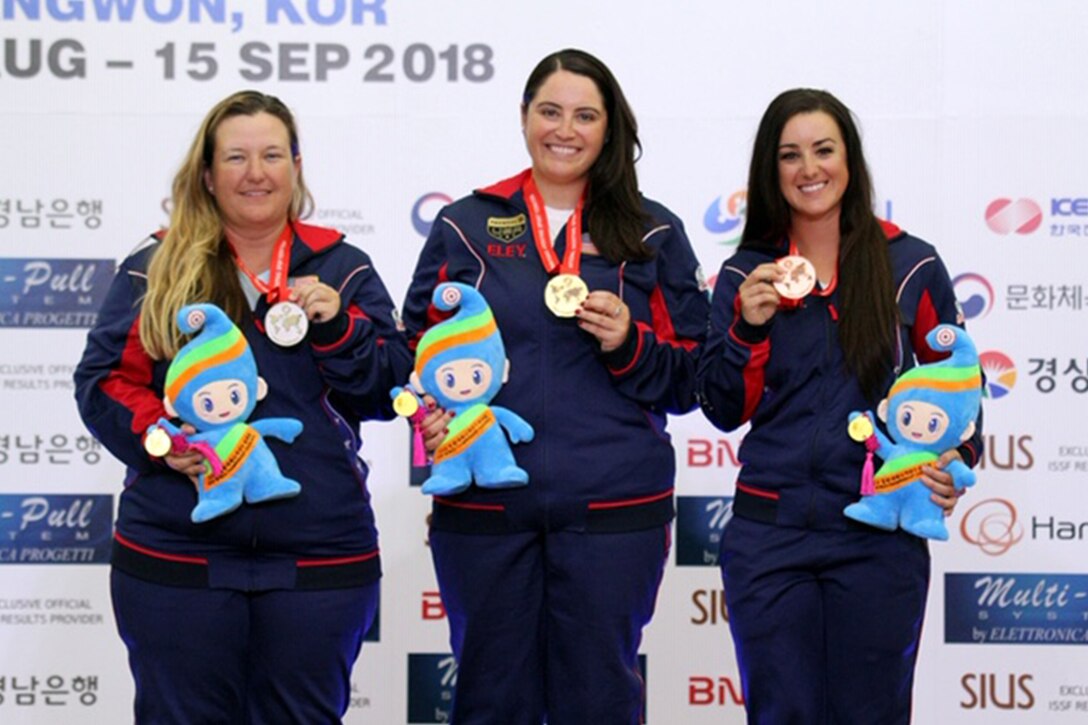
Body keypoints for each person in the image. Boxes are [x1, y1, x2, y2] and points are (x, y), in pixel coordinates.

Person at [74, 90, 412, 723]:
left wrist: (339, 328)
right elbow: (104, 381)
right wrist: (161, 439)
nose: (256, 173)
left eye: (272, 155)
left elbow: (390, 388)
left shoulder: (343, 266)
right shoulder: (157, 264)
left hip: (320, 554)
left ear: (296, 166)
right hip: (176, 554)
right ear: (207, 173)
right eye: (236, 157)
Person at [402, 49, 710, 724]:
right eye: (549, 111)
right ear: (523, 118)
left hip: (614, 506)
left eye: (585, 115)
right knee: (488, 700)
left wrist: (630, 342)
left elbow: (694, 378)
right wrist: (426, 420)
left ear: (608, 128)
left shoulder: (651, 230)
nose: (564, 129)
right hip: (485, 507)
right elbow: (413, 352)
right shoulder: (467, 223)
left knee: (600, 700)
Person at [696, 88, 984, 724]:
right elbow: (721, 406)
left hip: (879, 534)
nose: (809, 170)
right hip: (770, 536)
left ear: (849, 161)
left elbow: (963, 391)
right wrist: (747, 328)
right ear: (771, 174)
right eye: (790, 156)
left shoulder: (910, 264)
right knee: (781, 713)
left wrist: (955, 460)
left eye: (824, 150)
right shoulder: (747, 273)